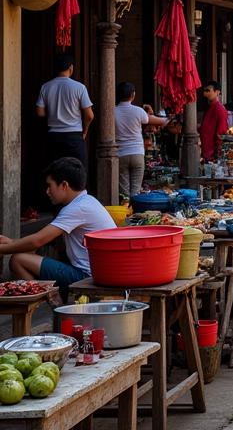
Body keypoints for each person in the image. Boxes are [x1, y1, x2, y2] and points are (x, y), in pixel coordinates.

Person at [0, 158, 113, 298]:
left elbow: (37, 241)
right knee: (24, 255)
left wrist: (3, 249)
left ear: (64, 185)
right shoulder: (87, 201)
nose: (47, 191)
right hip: (99, 273)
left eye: (50, 186)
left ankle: (54, 303)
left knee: (17, 260)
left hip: (88, 276)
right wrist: (11, 243)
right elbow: (37, 243)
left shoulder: (77, 208)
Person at [36, 53, 94, 168]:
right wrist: (85, 131)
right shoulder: (79, 87)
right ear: (71, 68)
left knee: (55, 173)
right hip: (74, 137)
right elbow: (89, 115)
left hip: (53, 137)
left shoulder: (46, 87)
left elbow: (40, 112)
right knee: (78, 172)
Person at [114, 81, 168, 196]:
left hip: (121, 154)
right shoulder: (138, 111)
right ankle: (135, 210)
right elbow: (153, 120)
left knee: (124, 192)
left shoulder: (113, 112)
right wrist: (168, 119)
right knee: (135, 190)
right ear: (133, 95)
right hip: (137, 153)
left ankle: (125, 211)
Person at [199, 80, 229, 162]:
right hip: (205, 152)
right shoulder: (209, 107)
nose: (205, 94)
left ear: (217, 92)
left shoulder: (219, 109)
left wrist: (217, 155)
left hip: (212, 155)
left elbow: (221, 134)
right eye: (205, 91)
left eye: (208, 91)